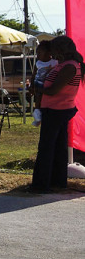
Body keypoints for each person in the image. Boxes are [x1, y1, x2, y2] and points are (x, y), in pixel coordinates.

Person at [28, 35, 84, 193]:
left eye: (53, 49)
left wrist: (37, 87)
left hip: (56, 110)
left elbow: (53, 90)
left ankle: (41, 185)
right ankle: (57, 182)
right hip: (57, 110)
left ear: (60, 49)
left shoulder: (69, 66)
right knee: (58, 148)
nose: (51, 53)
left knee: (46, 148)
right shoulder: (66, 64)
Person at [30, 40, 57, 126]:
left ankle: (39, 115)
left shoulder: (54, 62)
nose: (38, 55)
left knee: (44, 99)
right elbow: (33, 75)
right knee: (38, 99)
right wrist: (31, 85)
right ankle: (37, 115)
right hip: (39, 83)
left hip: (48, 84)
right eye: (37, 53)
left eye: (40, 53)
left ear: (49, 53)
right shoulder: (38, 63)